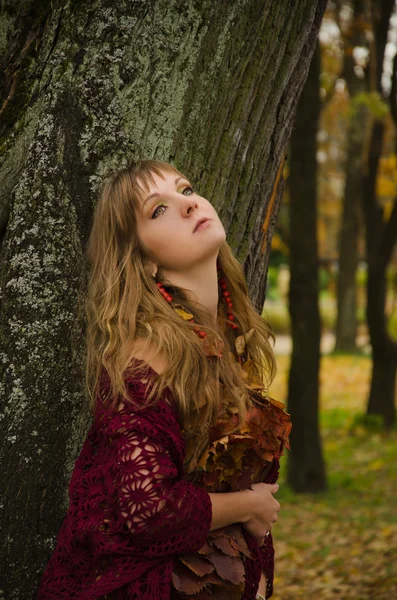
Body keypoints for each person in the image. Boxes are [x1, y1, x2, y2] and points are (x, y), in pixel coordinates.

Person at [37, 159, 290, 600]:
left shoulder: (227, 340)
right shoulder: (144, 361)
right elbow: (149, 510)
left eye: (187, 190)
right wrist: (250, 506)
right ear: (144, 262)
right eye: (159, 209)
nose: (189, 206)